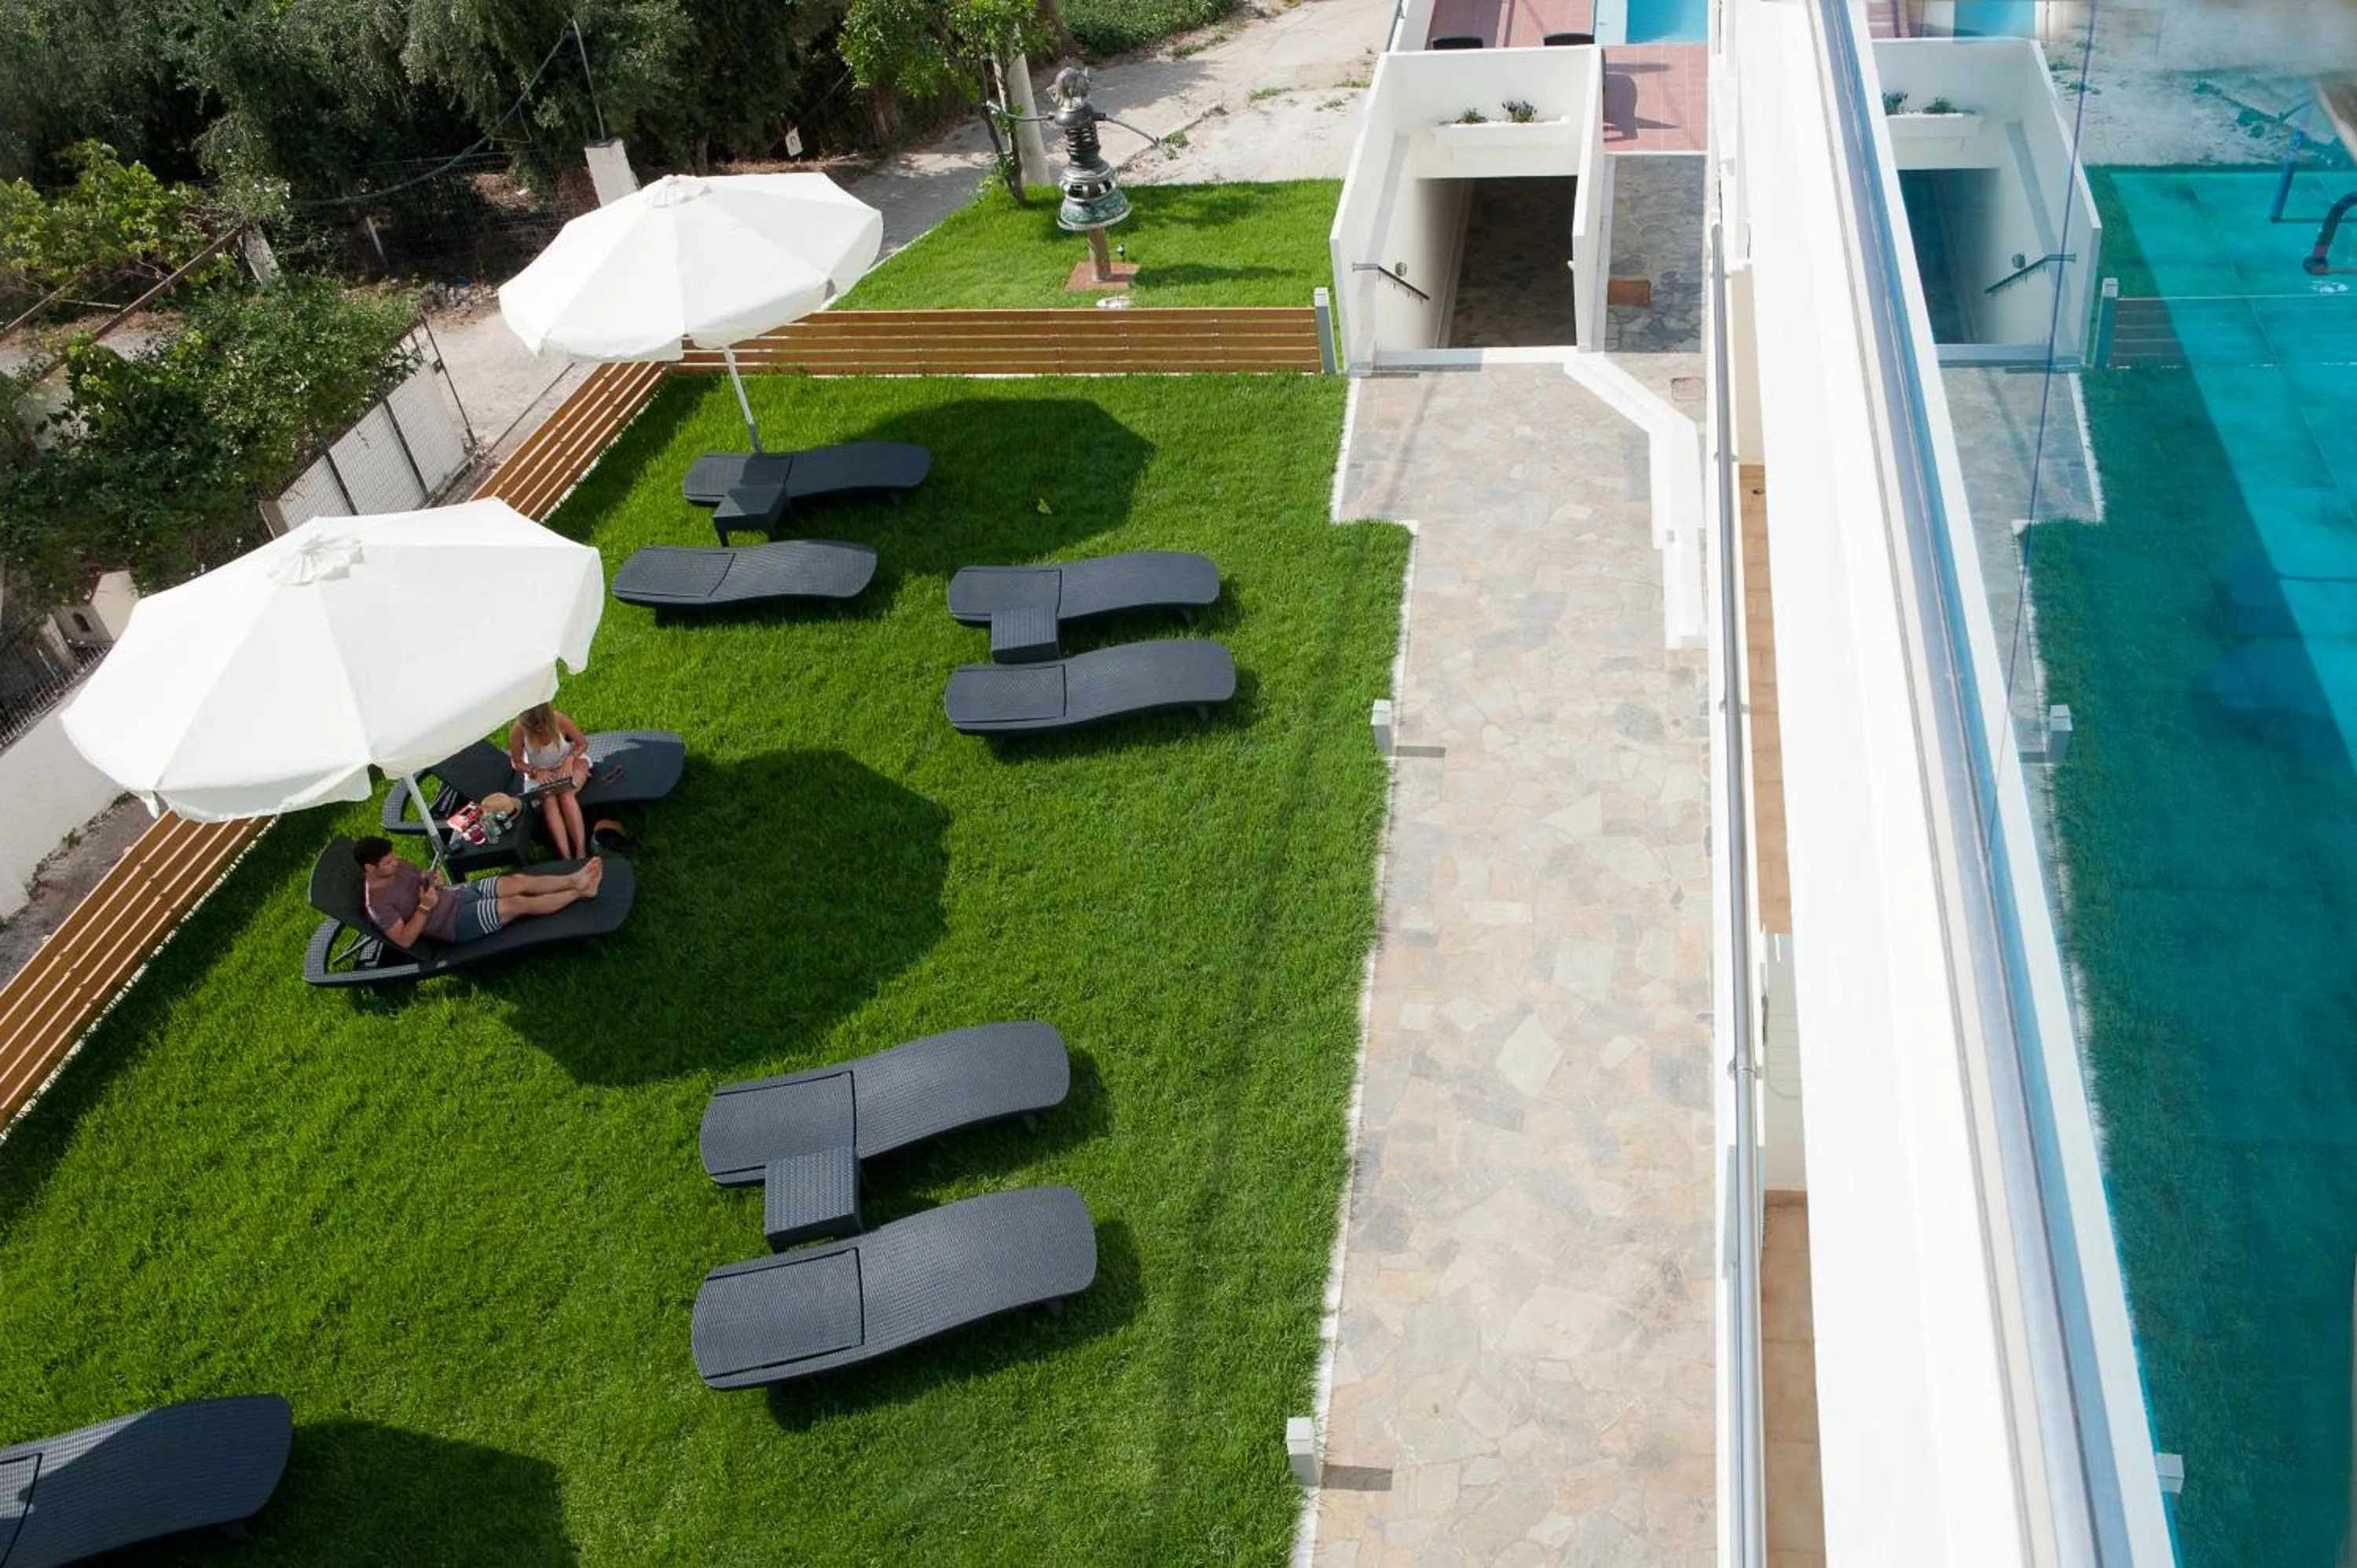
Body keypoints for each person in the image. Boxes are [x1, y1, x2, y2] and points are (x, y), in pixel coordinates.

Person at [354, 835, 603, 950]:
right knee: (517, 903)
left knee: (517, 881)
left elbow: (422, 878)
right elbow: (405, 939)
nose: (396, 863)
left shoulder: (398, 866)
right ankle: (581, 892)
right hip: (454, 923)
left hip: (459, 894)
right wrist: (425, 907)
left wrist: (433, 879)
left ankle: (574, 878)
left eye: (393, 858)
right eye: (388, 863)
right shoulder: (378, 904)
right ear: (369, 868)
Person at [508, 703, 592, 860]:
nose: (539, 730)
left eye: (542, 725)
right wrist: (535, 771)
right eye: (535, 728)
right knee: (549, 800)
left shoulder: (558, 718)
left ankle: (581, 852)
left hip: (569, 762)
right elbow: (516, 762)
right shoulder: (518, 730)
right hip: (540, 771)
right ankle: (566, 857)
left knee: (566, 795)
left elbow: (582, 743)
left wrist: (570, 759)